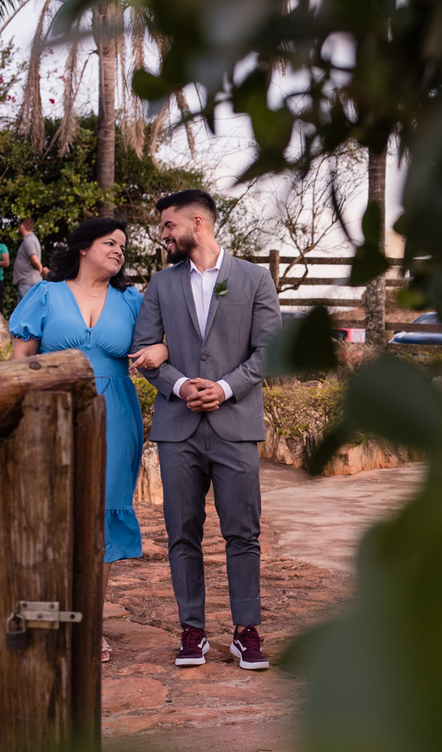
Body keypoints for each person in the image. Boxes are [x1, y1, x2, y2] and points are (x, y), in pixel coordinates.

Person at [131, 189, 280, 670]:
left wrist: (224, 388)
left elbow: (269, 351)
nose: (163, 234)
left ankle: (246, 631)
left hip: (236, 425)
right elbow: (144, 350)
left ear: (198, 222)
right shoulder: (160, 284)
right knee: (182, 533)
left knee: (243, 533)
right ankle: (192, 631)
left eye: (168, 225)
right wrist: (179, 387)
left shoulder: (255, 278)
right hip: (178, 429)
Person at [9, 217, 168, 664]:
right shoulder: (46, 294)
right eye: (109, 243)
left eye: (123, 246)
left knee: (102, 519)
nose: (119, 251)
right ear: (83, 248)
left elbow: (163, 344)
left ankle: (87, 624)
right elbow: (20, 361)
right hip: (52, 413)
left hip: (115, 417)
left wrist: (164, 349)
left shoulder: (132, 301)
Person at [12, 217, 46, 301]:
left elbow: (34, 259)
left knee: (27, 308)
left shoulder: (29, 240)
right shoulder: (30, 239)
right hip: (28, 282)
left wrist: (40, 269)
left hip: (28, 283)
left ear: (21, 226)